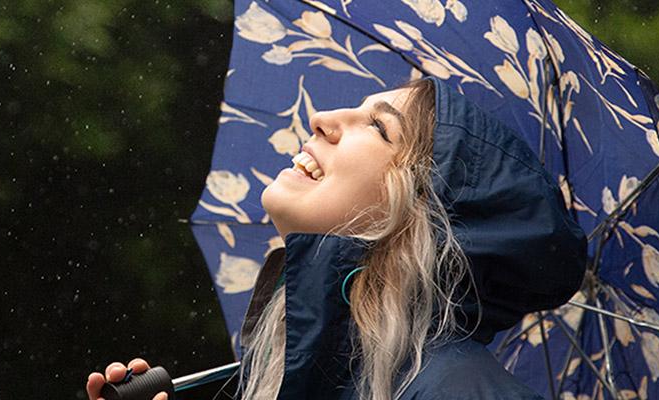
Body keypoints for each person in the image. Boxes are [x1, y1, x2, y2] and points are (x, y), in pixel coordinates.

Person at [84, 76, 587, 400]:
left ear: (420, 216)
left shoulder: (461, 391)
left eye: (379, 127)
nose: (323, 119)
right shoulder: (295, 370)